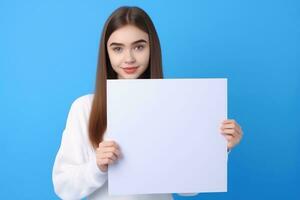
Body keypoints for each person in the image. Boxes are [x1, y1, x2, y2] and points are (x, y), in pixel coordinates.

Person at [52, 6, 243, 200]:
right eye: (117, 48)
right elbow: (64, 187)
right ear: (106, 53)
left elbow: (189, 189)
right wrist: (98, 166)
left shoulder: (177, 104)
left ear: (152, 48)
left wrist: (219, 146)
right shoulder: (85, 108)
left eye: (139, 47)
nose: (129, 58)